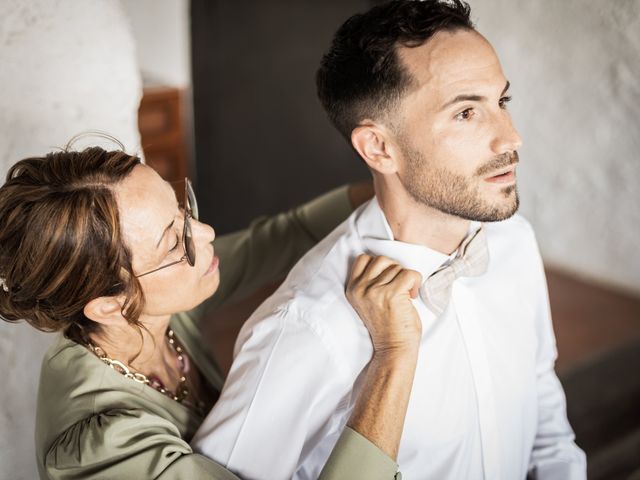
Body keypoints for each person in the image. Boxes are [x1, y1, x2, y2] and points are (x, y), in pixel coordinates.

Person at [192, 1, 588, 479]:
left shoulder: (513, 242)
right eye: (465, 113)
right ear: (379, 147)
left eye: (500, 102)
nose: (511, 137)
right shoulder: (307, 326)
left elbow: (540, 393)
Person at [0, 144, 423, 479]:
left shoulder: (152, 310)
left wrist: (409, 185)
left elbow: (284, 235)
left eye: (182, 207)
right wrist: (394, 353)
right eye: (174, 242)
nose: (205, 233)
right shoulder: (104, 449)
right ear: (110, 304)